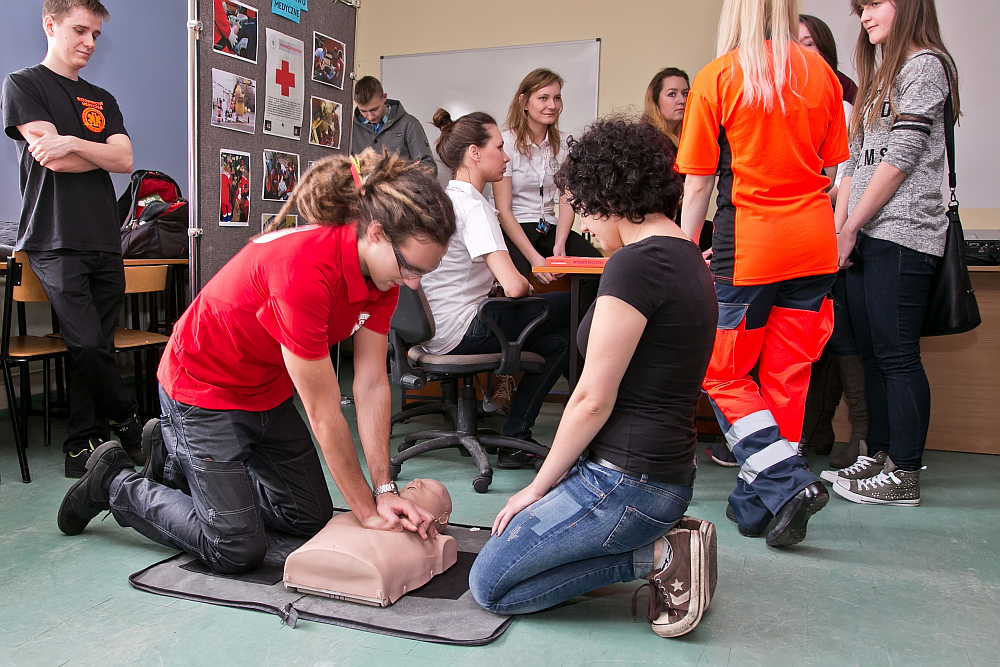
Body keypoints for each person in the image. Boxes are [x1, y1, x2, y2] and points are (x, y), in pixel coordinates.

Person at [56, 149, 457, 575]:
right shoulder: (305, 267)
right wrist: (368, 513)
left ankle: (175, 460)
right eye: (410, 267)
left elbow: (373, 382)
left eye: (424, 273)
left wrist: (383, 489)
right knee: (235, 548)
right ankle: (114, 481)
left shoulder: (382, 277)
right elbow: (324, 415)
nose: (413, 283)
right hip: (203, 391)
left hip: (266, 392)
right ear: (375, 232)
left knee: (308, 518)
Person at [469, 118, 719, 639]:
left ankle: (660, 555)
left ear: (610, 195)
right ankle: (663, 541)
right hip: (658, 477)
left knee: (490, 585)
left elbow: (590, 400)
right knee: (513, 551)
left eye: (584, 208)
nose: (583, 224)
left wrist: (535, 488)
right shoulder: (686, 253)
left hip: (626, 484)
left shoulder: (636, 265)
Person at [677, 0, 849, 546]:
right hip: (814, 244)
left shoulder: (720, 76)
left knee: (722, 374)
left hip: (751, 246)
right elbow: (829, 166)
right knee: (786, 374)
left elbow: (699, 184)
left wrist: (683, 252)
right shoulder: (821, 73)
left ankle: (785, 480)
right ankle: (759, 505)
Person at [1, 0, 146, 478]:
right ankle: (127, 420)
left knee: (98, 344)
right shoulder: (24, 85)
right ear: (51, 24)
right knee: (85, 343)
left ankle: (81, 447)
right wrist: (94, 151)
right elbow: (54, 159)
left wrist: (74, 141)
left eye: (96, 35)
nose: (89, 43)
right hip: (53, 235)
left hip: (103, 236)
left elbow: (125, 160)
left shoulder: (102, 98)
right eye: (80, 31)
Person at [826, 0, 959, 507]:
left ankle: (904, 472)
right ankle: (878, 455)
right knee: (873, 355)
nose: (865, 16)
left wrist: (851, 227)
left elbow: (901, 160)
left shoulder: (926, 65)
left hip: (903, 234)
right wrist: (841, 232)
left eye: (875, 3)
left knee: (898, 355)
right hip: (864, 235)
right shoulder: (881, 75)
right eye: (860, 7)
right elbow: (854, 167)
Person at [419, 109, 570, 469]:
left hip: (430, 331)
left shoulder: (444, 199)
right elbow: (514, 287)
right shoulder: (475, 207)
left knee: (557, 339)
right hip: (462, 330)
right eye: (499, 148)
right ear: (474, 153)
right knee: (573, 307)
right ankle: (520, 436)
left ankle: (520, 435)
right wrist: (523, 286)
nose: (506, 157)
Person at [797, 13, 869, 470]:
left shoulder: (841, 102)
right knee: (813, 336)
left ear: (825, 50)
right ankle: (813, 431)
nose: (798, 51)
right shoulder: (785, 99)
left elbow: (844, 178)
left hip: (836, 233)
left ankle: (860, 434)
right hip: (803, 234)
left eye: (808, 43)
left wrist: (837, 228)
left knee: (842, 337)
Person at [493, 69, 603, 288]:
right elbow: (503, 211)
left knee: (598, 268)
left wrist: (560, 245)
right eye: (543, 98)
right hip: (513, 228)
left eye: (557, 98)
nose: (552, 105)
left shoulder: (565, 144)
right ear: (524, 102)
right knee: (519, 283)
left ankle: (580, 313)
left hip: (547, 227)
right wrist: (534, 258)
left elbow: (566, 199)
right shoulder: (505, 142)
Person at [351, 76, 437, 177]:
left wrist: (391, 165)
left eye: (374, 109)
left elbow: (429, 170)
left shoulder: (409, 124)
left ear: (384, 97)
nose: (370, 116)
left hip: (401, 187)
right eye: (363, 111)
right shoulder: (351, 128)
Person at [642, 67, 690, 148]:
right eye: (672, 94)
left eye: (685, 93)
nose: (682, 100)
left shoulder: (688, 136)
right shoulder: (647, 140)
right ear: (655, 99)